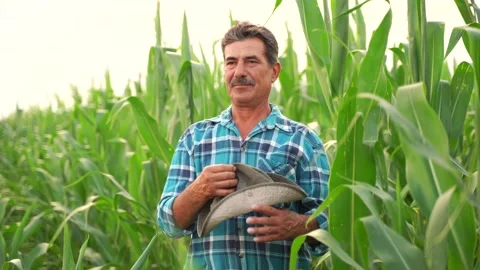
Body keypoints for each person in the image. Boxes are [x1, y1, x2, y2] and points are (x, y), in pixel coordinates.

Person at [157, 21, 330, 270]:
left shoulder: (303, 140)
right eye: (231, 62)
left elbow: (330, 227)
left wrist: (296, 224)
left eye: (251, 61)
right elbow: (168, 224)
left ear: (274, 71)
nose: (239, 71)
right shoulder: (195, 138)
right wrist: (199, 190)